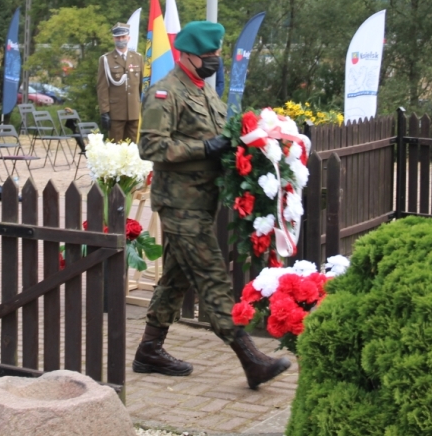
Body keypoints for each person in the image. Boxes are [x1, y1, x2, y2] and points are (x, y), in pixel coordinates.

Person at [136, 20, 290, 389]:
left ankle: (149, 351)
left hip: (203, 201)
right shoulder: (165, 93)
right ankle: (251, 359)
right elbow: (150, 146)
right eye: (208, 55)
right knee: (211, 276)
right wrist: (204, 148)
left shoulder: (206, 92)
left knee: (176, 277)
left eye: (217, 55)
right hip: (179, 204)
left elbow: (224, 135)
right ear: (186, 56)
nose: (214, 61)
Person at [97, 23, 143, 141]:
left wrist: (142, 106)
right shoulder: (106, 59)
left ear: (128, 38)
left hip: (134, 111)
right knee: (115, 149)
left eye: (123, 37)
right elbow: (102, 88)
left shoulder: (137, 58)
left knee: (133, 148)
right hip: (116, 112)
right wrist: (104, 112)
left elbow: (141, 85)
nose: (121, 40)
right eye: (118, 37)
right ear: (113, 39)